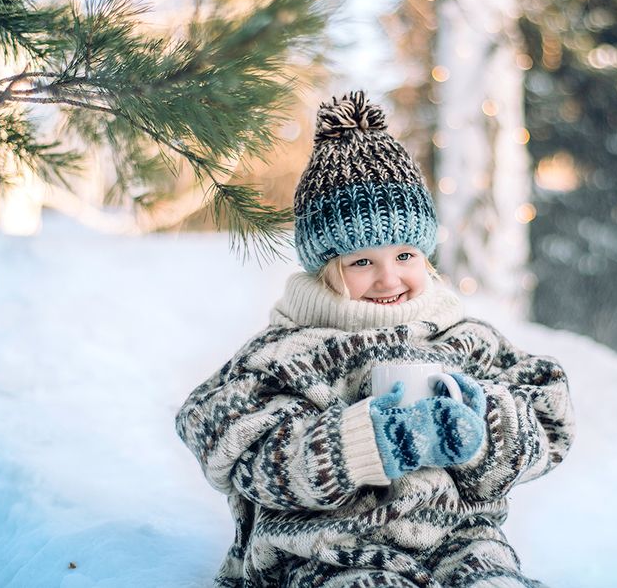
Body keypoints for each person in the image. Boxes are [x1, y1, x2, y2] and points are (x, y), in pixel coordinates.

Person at [176, 91, 575, 588]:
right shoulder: (289, 353)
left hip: (461, 540)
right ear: (325, 268)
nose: (389, 279)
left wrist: (484, 424)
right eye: (362, 261)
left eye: (405, 255)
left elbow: (549, 417)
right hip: (327, 550)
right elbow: (226, 444)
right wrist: (366, 442)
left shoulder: (465, 341)